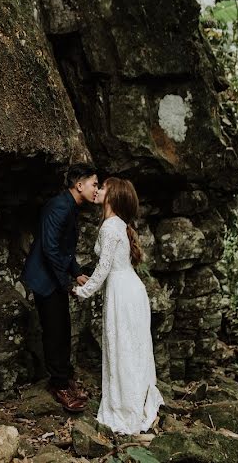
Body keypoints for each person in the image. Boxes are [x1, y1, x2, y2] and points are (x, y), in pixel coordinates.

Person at [73, 177, 163, 434]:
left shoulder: (110, 227)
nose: (98, 190)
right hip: (129, 290)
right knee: (129, 349)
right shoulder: (117, 225)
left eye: (103, 188)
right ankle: (133, 400)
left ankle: (127, 408)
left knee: (123, 348)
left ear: (111, 196)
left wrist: (82, 291)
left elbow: (103, 269)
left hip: (123, 293)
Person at [22, 163, 98, 412]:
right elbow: (50, 249)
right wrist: (66, 283)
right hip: (45, 279)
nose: (96, 189)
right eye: (94, 184)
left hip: (55, 276)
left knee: (63, 329)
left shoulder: (71, 207)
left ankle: (64, 378)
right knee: (54, 331)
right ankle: (59, 385)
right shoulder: (58, 206)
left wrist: (76, 274)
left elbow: (65, 250)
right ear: (79, 185)